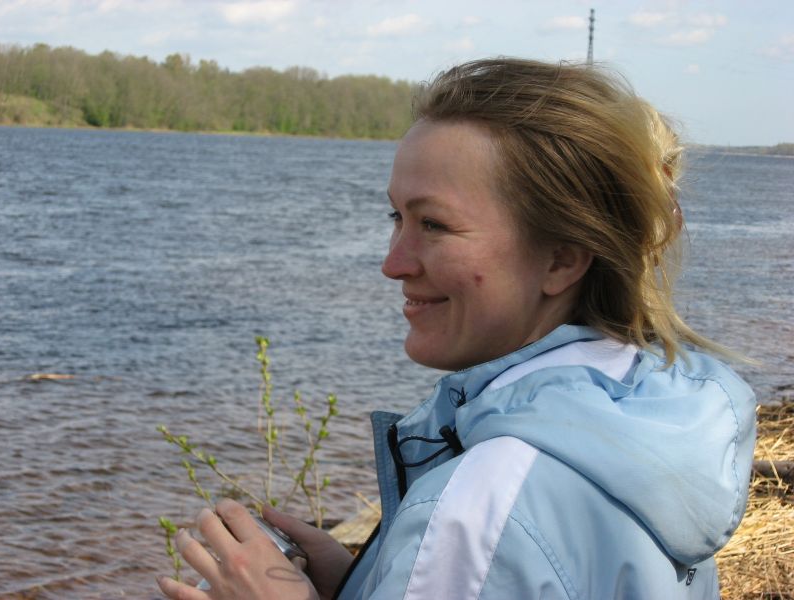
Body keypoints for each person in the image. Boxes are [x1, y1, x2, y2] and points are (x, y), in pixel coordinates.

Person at [157, 58, 756, 600]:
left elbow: (493, 537)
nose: (394, 262)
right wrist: (372, 579)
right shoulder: (647, 421)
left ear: (561, 259)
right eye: (398, 217)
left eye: (435, 225)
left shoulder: (480, 509)